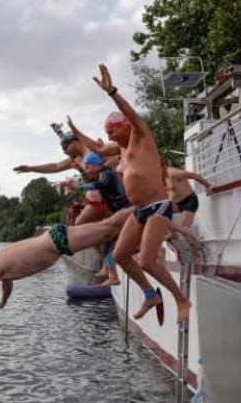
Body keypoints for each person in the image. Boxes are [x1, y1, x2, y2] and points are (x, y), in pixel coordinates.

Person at [88, 63, 191, 324]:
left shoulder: (140, 134)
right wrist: (71, 133)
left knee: (146, 260)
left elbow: (131, 114)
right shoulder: (121, 149)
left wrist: (111, 92)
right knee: (120, 255)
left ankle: (181, 299)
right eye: (107, 134)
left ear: (124, 126)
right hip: (140, 210)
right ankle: (150, 294)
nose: (109, 137)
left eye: (112, 132)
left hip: (158, 206)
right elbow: (97, 151)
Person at [0, 208, 134, 311]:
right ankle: (141, 218)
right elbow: (6, 285)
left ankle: (145, 207)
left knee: (108, 228)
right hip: (56, 241)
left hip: (56, 242)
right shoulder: (0, 269)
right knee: (107, 231)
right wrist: (3, 301)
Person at [64, 151, 131, 286]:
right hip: (121, 212)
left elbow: (101, 184)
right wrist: (80, 174)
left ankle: (114, 273)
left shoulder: (106, 173)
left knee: (112, 242)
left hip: (126, 210)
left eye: (88, 167)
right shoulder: (100, 174)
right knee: (107, 243)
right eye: (86, 168)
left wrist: (78, 186)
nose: (87, 170)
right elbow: (94, 182)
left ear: (97, 165)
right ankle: (112, 275)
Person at [13, 132, 109, 225]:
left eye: (65, 148)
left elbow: (112, 160)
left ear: (74, 143)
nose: (65, 152)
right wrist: (30, 168)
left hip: (106, 196)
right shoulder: (75, 159)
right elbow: (55, 167)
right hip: (95, 197)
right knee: (79, 224)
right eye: (63, 149)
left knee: (80, 224)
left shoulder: (94, 151)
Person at [162, 161, 212, 228]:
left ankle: (191, 237)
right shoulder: (159, 178)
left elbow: (193, 175)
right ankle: (171, 233)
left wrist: (208, 185)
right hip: (175, 204)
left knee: (184, 227)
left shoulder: (172, 172)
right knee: (158, 214)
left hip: (189, 201)